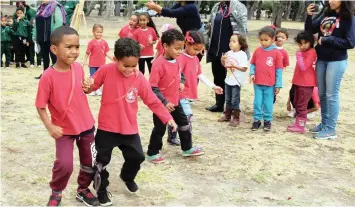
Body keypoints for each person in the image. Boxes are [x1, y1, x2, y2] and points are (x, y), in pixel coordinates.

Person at [82, 38, 177, 206]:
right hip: (107, 127)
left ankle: (127, 176)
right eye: (126, 65)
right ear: (115, 59)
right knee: (100, 163)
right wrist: (87, 85)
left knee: (138, 156)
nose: (130, 69)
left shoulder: (139, 77)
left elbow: (152, 100)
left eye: (134, 65)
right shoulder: (106, 70)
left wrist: (167, 118)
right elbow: (91, 87)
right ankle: (102, 189)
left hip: (129, 129)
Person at [35, 26, 99, 207]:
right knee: (64, 164)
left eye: (77, 47)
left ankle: (82, 189)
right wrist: (50, 126)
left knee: (90, 161)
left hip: (86, 126)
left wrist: (87, 87)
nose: (74, 51)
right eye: (69, 47)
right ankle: (56, 192)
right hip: (63, 130)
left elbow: (80, 91)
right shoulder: (47, 77)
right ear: (54, 49)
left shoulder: (78, 68)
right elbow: (40, 106)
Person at [147, 28, 204, 164]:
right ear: (165, 46)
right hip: (162, 105)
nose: (180, 51)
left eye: (181, 48)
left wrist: (182, 82)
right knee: (159, 129)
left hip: (176, 101)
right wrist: (164, 102)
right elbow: (153, 87)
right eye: (177, 48)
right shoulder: (158, 65)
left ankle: (187, 148)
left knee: (184, 124)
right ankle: (152, 153)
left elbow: (181, 74)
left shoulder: (177, 60)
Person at [305, 0, 355, 139]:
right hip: (322, 59)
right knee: (322, 94)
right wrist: (309, 16)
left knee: (331, 95)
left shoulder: (349, 18)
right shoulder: (326, 14)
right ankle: (324, 123)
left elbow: (350, 42)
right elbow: (310, 30)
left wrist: (328, 40)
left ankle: (331, 129)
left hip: (336, 61)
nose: (330, 1)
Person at [167, 30, 223, 145]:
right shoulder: (180, 58)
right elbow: (175, 74)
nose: (197, 52)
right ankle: (186, 141)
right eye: (195, 49)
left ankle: (173, 137)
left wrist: (213, 86)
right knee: (187, 116)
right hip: (180, 93)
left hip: (188, 94)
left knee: (178, 116)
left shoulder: (195, 59)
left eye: (200, 50)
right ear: (187, 44)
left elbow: (200, 74)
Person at [205, 0, 248, 112]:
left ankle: (233, 108)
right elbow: (209, 26)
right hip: (216, 48)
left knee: (232, 78)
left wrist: (240, 46)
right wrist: (206, 43)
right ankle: (219, 104)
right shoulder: (216, 7)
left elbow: (243, 28)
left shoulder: (238, 6)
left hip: (231, 49)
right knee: (218, 77)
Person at [249, 26, 283, 131]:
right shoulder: (257, 51)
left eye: (266, 40)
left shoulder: (277, 52)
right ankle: (257, 120)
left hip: (270, 84)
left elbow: (279, 70)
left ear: (273, 39)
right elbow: (252, 64)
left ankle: (267, 121)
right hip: (258, 83)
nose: (263, 42)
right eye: (261, 40)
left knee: (268, 103)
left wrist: (278, 84)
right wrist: (252, 73)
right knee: (257, 102)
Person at [287, 30, 317, 133]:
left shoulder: (311, 52)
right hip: (298, 82)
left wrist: (299, 55)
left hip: (306, 83)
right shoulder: (303, 52)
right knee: (296, 103)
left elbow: (303, 67)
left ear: (311, 42)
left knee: (301, 105)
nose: (302, 46)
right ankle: (298, 122)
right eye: (300, 43)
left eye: (305, 43)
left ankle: (300, 126)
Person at [218, 34, 249, 127]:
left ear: (241, 44)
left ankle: (236, 117)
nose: (231, 43)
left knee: (235, 100)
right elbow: (224, 65)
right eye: (230, 41)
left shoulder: (242, 55)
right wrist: (222, 60)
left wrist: (234, 66)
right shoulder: (228, 53)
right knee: (227, 99)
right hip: (228, 80)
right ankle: (227, 115)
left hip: (236, 82)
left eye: (234, 41)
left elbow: (244, 68)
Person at [33, 0, 67, 79]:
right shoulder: (40, 8)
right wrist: (35, 35)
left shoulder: (55, 7)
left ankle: (57, 75)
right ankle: (45, 75)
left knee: (54, 57)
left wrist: (54, 36)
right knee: (44, 57)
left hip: (51, 37)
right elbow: (35, 23)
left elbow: (59, 22)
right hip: (41, 37)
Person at [83, 24, 112, 96]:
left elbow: (107, 52)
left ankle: (98, 89)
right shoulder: (91, 43)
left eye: (100, 32)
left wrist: (112, 59)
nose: (99, 34)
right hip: (93, 64)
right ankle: (92, 89)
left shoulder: (104, 42)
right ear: (93, 32)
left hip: (101, 64)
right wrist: (84, 61)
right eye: (97, 32)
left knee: (100, 78)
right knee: (92, 77)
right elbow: (87, 53)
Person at [274, 27, 290, 103]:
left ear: (286, 39)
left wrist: (279, 75)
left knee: (272, 94)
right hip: (266, 75)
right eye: (278, 36)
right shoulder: (270, 48)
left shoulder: (285, 53)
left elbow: (284, 66)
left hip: (276, 77)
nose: (280, 39)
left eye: (282, 37)